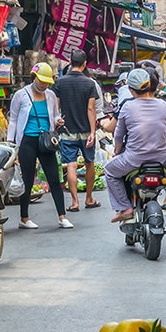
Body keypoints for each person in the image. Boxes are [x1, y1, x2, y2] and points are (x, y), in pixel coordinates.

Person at [104, 69, 166, 238]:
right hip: (162, 158)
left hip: (133, 159)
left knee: (109, 171)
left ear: (131, 89)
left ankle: (125, 208)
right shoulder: (164, 105)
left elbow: (118, 136)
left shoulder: (127, 106)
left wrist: (117, 152)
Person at [7, 63, 73, 230]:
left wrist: (58, 120)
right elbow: (13, 119)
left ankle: (62, 216)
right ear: (33, 77)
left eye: (46, 82)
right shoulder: (21, 95)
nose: (43, 85)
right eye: (41, 81)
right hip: (27, 141)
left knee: (55, 179)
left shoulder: (50, 96)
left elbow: (55, 113)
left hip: (46, 141)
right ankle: (24, 217)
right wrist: (10, 143)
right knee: (27, 180)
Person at [52, 50, 101, 212]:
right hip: (86, 131)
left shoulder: (60, 82)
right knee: (89, 163)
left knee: (71, 165)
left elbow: (55, 107)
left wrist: (56, 122)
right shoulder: (89, 83)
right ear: (85, 63)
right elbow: (91, 108)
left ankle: (74, 202)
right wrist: (93, 132)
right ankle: (88, 198)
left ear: (70, 62)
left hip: (67, 130)